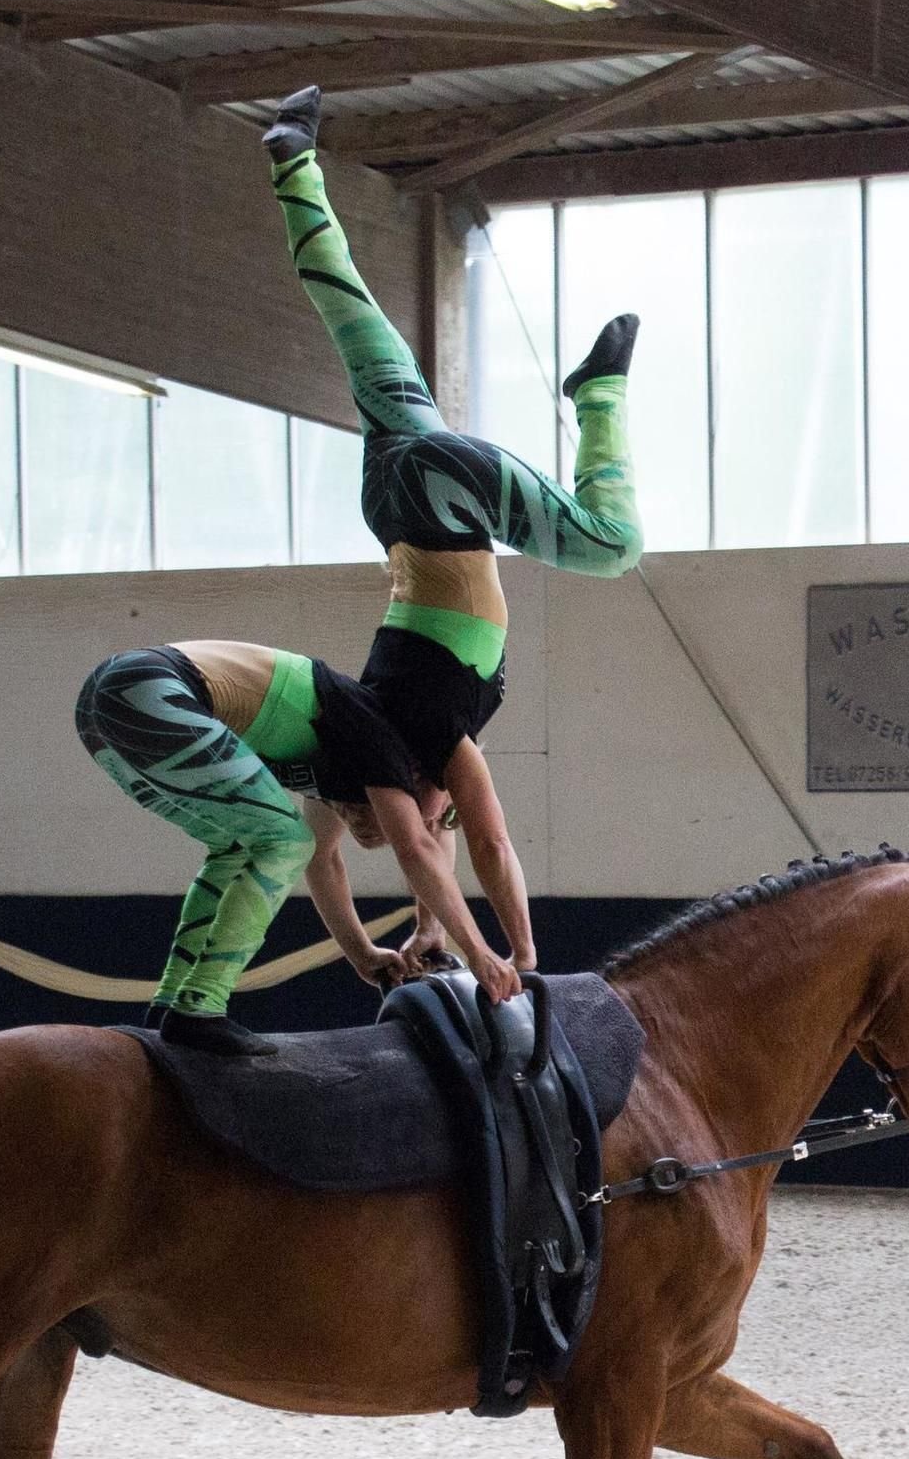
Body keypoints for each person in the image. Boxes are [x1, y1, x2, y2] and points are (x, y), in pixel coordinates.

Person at [262, 86, 645, 962]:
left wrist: (520, 954)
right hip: (396, 492)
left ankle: (599, 395)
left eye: (432, 816)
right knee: (352, 315)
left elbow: (489, 847)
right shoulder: (343, 744)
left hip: (442, 499)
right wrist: (386, 945)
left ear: (413, 794)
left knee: (612, 546)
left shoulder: (436, 745)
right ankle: (293, 161)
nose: (441, 821)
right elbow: (323, 860)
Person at [76, 638, 527, 1059]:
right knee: (284, 839)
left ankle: (172, 1004)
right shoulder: (377, 737)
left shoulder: (336, 761)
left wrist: (364, 953)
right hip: (149, 689)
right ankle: (201, 1007)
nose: (367, 830)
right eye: (421, 808)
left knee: (238, 845)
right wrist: (480, 951)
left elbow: (326, 859)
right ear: (412, 774)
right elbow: (415, 846)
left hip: (104, 704)